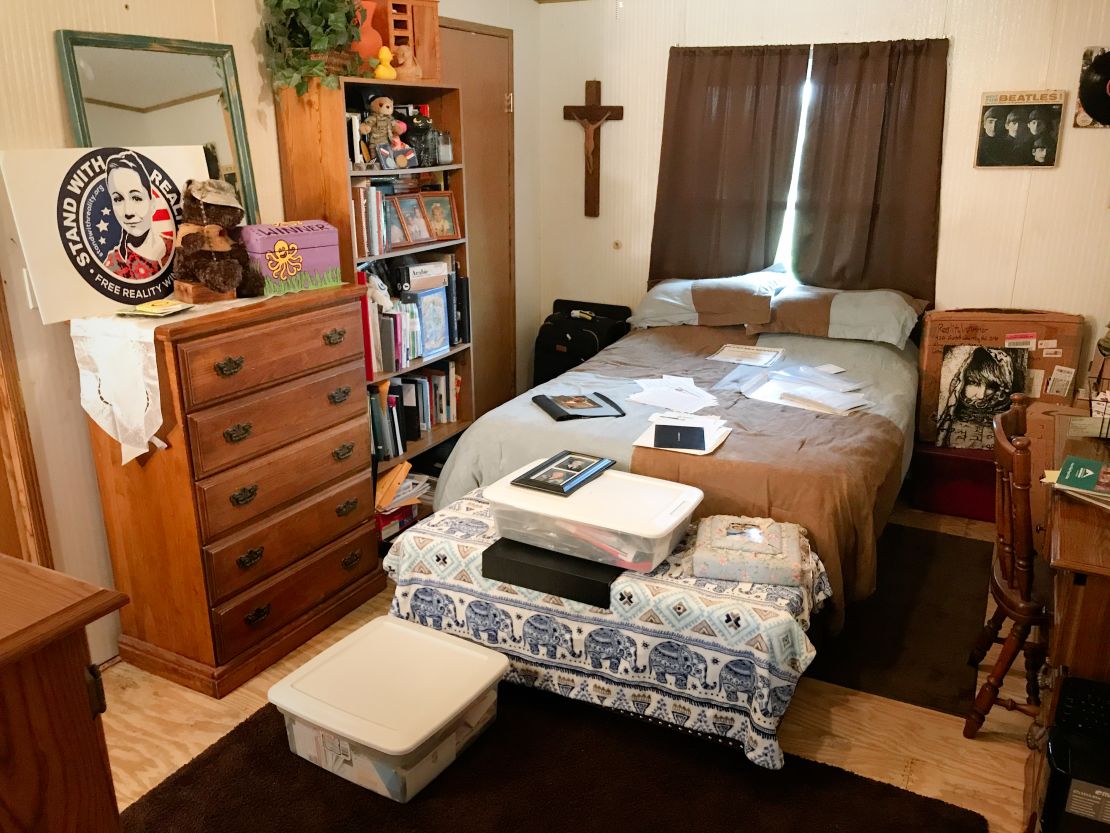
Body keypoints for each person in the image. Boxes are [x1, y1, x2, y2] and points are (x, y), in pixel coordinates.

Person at [102, 150, 173, 280]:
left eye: (136, 198)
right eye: (118, 199)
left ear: (152, 204)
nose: (128, 212)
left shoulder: (174, 246)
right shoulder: (115, 266)